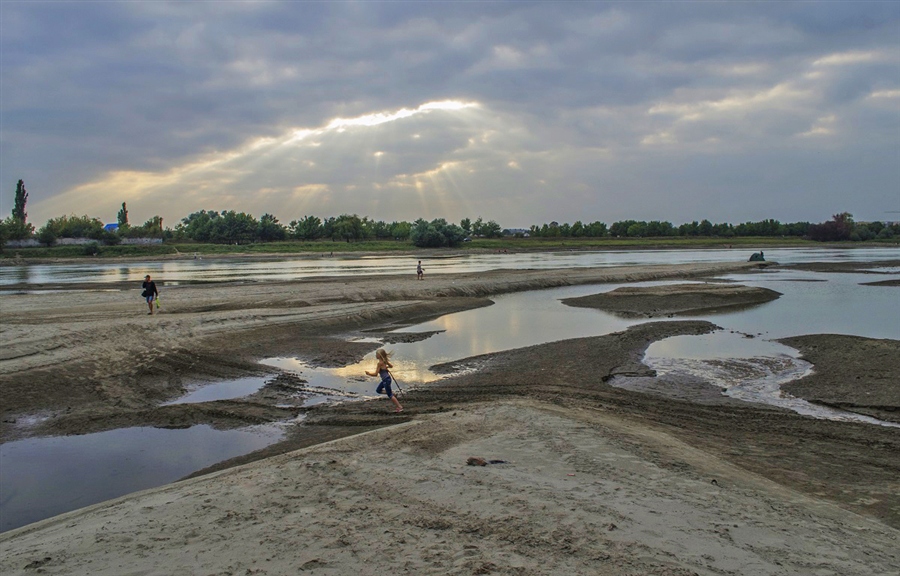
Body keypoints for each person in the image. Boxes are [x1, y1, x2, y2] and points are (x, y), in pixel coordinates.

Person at [365, 348, 403, 413]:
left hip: (386, 380)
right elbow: (391, 366)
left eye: (376, 354)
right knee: (378, 390)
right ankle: (393, 394)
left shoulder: (379, 363)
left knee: (390, 395)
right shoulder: (385, 361)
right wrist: (386, 368)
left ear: (379, 355)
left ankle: (399, 407)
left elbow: (375, 374)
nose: (375, 356)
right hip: (387, 379)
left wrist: (368, 374)